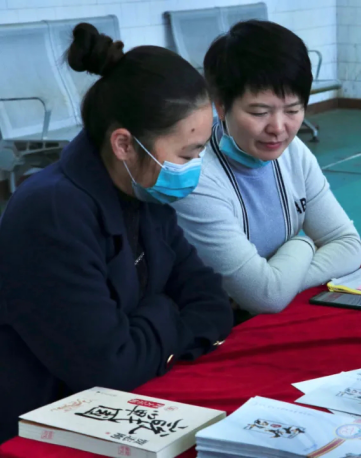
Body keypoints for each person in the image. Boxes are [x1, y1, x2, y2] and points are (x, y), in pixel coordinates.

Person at [0, 24, 234, 443]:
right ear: (124, 144)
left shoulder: (142, 191)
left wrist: (142, 330)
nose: (195, 168)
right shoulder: (52, 214)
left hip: (122, 412)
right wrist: (167, 310)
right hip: (42, 429)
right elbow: (107, 369)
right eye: (187, 154)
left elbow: (212, 302)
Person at [172, 20, 361, 316]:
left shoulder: (294, 153)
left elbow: (348, 244)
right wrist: (303, 243)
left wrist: (281, 281)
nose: (278, 128)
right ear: (220, 106)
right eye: (259, 112)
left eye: (293, 110)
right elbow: (264, 297)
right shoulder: (195, 176)